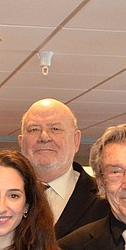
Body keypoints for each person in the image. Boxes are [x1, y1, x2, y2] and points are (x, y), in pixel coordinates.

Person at [19, 98, 109, 238]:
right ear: (21, 142)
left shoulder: (106, 199)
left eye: (55, 129)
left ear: (76, 140)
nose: (44, 137)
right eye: (34, 129)